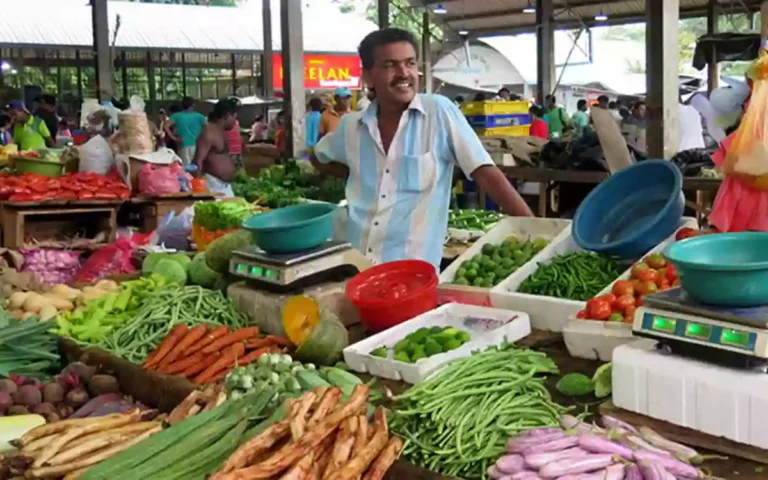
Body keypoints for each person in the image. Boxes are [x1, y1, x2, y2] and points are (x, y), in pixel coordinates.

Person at [310, 28, 533, 269]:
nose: (403, 73)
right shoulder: (351, 126)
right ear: (368, 77)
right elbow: (317, 156)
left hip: (411, 276)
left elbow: (486, 173)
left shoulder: (439, 112)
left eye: (410, 63)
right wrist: (353, 171)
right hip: (353, 267)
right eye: (390, 65)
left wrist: (536, 230)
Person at [193, 99, 238, 197]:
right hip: (212, 186)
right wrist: (199, 190)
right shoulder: (208, 132)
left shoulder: (222, 132)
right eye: (234, 117)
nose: (235, 121)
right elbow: (197, 161)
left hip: (224, 186)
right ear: (227, 116)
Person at [170, 96, 207, 165]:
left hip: (183, 145)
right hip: (197, 145)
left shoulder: (176, 116)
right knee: (196, 165)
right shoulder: (200, 116)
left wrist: (174, 138)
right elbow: (207, 128)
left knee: (185, 167)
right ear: (193, 105)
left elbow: (166, 126)